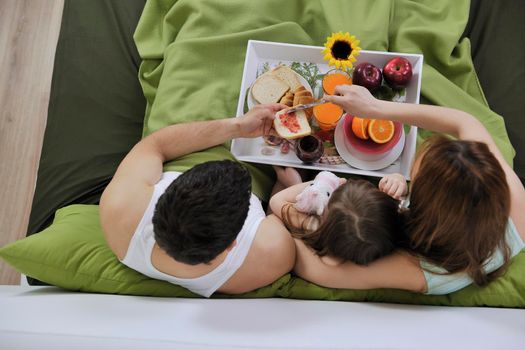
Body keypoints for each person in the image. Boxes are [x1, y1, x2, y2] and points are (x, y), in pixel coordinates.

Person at [292, 84, 525, 294]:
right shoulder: (510, 190)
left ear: (420, 208)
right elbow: (465, 122)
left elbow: (322, 272)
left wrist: (293, 207)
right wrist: (375, 107)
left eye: (416, 176)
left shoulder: (426, 270)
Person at [99, 103, 296, 298]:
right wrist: (288, 185)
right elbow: (279, 208)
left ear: (163, 199)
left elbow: (155, 144)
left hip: (202, 139)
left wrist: (237, 126)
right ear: (232, 244)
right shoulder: (270, 256)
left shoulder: (120, 207)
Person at [270, 168, 406, 266]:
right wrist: (398, 180)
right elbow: (402, 201)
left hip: (290, 208)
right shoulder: (387, 226)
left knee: (289, 176)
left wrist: (323, 185)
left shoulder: (315, 225)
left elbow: (276, 201)